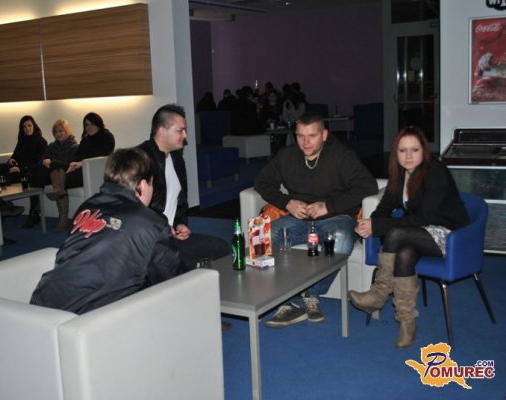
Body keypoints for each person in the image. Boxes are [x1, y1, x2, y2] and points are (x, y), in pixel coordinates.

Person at [254, 111, 378, 327]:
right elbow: (262, 183)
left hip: (336, 217)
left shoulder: (341, 156)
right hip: (299, 219)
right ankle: (286, 298)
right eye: (300, 136)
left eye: (312, 136)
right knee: (263, 236)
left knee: (340, 238)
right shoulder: (287, 156)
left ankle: (311, 295)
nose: (305, 142)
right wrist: (287, 203)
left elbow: (368, 186)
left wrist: (329, 206)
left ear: (324, 135)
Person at [29, 147, 189, 314]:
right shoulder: (151, 224)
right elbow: (176, 282)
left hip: (42, 303)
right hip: (87, 318)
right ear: (142, 184)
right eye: (151, 183)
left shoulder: (87, 206)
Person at [350, 126, 469, 348]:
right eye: (402, 150)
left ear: (424, 151)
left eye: (414, 150)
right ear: (395, 153)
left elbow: (424, 217)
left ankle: (379, 293)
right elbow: (385, 205)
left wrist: (378, 226)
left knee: (395, 233)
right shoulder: (400, 173)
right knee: (404, 253)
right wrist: (371, 222)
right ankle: (407, 323)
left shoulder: (436, 172)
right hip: (420, 233)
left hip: (451, 235)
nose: (408, 156)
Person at [138, 104, 230, 269]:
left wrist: (179, 223)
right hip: (150, 242)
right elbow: (136, 210)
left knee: (221, 249)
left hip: (170, 235)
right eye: (180, 131)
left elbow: (180, 201)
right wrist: (165, 229)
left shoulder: (176, 158)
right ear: (162, 131)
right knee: (189, 265)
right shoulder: (140, 160)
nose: (185, 135)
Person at [45, 112, 115, 230]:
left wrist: (82, 163)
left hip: (92, 172)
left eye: (92, 124)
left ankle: (62, 217)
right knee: (56, 167)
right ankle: (59, 193)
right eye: (86, 125)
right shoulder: (86, 139)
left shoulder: (107, 137)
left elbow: (102, 154)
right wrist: (72, 164)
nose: (89, 127)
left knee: (59, 178)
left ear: (99, 124)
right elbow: (77, 155)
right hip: (79, 170)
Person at [0, 116, 48, 228]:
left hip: (31, 172)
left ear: (34, 126)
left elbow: (39, 164)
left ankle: (33, 213)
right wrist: (11, 160)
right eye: (24, 127)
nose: (27, 128)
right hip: (19, 172)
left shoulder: (41, 142)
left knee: (36, 173)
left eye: (29, 125)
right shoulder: (22, 141)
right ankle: (4, 202)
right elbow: (14, 157)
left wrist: (21, 168)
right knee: (2, 167)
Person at [30, 119, 78, 231]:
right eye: (55, 132)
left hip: (68, 175)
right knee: (44, 168)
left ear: (67, 131)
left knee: (56, 166)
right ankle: (62, 218)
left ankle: (59, 216)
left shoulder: (74, 146)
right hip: (51, 176)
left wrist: (52, 162)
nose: (58, 134)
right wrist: (46, 161)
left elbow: (70, 165)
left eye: (61, 131)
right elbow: (42, 160)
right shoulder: (51, 146)